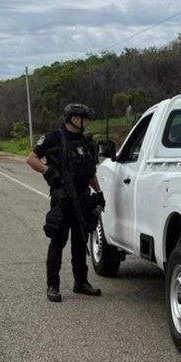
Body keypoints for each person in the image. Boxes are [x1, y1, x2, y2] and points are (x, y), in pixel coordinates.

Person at [26, 103, 106, 303]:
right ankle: (53, 286)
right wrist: (48, 171)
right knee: (58, 242)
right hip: (62, 199)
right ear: (73, 118)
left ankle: (81, 282)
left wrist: (98, 192)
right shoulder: (53, 138)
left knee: (80, 241)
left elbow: (90, 172)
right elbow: (32, 159)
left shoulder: (86, 142)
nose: (86, 122)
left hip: (82, 198)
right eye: (84, 118)